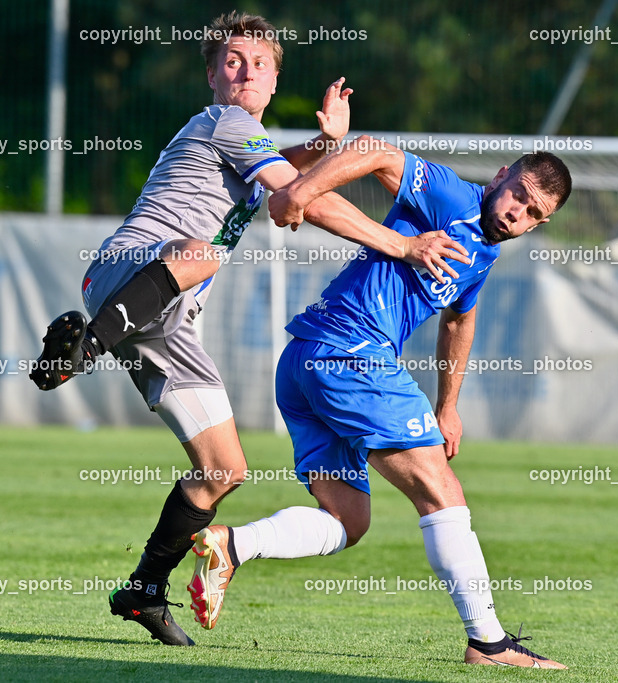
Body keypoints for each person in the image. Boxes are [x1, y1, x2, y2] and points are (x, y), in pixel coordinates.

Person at [29, 12, 468, 648]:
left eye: (259, 63)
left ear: (274, 80)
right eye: (231, 61)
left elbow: (284, 175)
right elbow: (305, 198)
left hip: (166, 319)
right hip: (132, 272)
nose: (245, 71)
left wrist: (325, 145)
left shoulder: (245, 142)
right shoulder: (223, 120)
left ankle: (144, 588)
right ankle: (83, 348)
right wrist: (402, 245)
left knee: (224, 470)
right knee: (204, 251)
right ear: (211, 75)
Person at [186, 136, 572, 668]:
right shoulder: (452, 197)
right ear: (501, 175)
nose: (517, 213)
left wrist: (448, 406)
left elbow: (459, 320)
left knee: (348, 519)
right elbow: (378, 152)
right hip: (352, 356)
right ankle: (488, 643)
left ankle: (232, 546)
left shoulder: (483, 252)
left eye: (533, 213)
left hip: (305, 362)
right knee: (442, 493)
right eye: (519, 195)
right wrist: (301, 190)